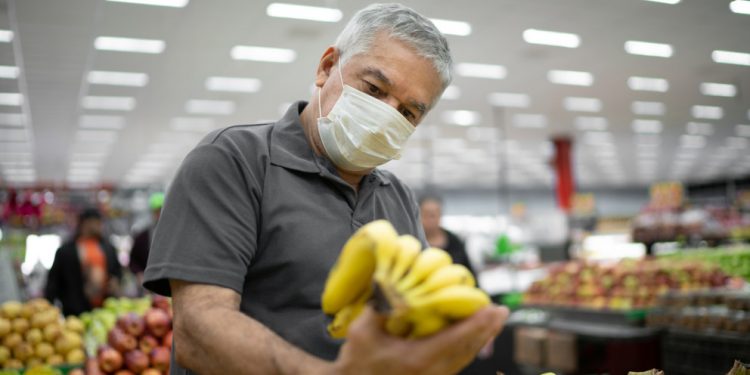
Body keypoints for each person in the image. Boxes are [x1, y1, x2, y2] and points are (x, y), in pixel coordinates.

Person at [143, 3, 509, 374]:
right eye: (374, 88)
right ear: (327, 67)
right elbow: (199, 331)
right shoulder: (233, 161)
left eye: (408, 112)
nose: (385, 116)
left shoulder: (397, 198)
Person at [45, 208, 122, 316]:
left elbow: (117, 271)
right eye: (95, 222)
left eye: (99, 222)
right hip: (74, 310)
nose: (99, 226)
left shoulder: (108, 249)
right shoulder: (66, 251)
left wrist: (116, 281)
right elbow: (53, 283)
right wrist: (49, 308)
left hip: (105, 310)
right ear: (84, 223)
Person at [419, 195, 476, 277]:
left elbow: (469, 272)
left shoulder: (455, 242)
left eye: (434, 215)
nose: (431, 219)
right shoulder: (413, 243)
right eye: (426, 214)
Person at [128, 192, 164, 290]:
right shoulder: (142, 237)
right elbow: (132, 260)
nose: (159, 214)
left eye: (162, 210)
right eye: (157, 211)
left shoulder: (175, 234)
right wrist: (138, 273)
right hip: (148, 285)